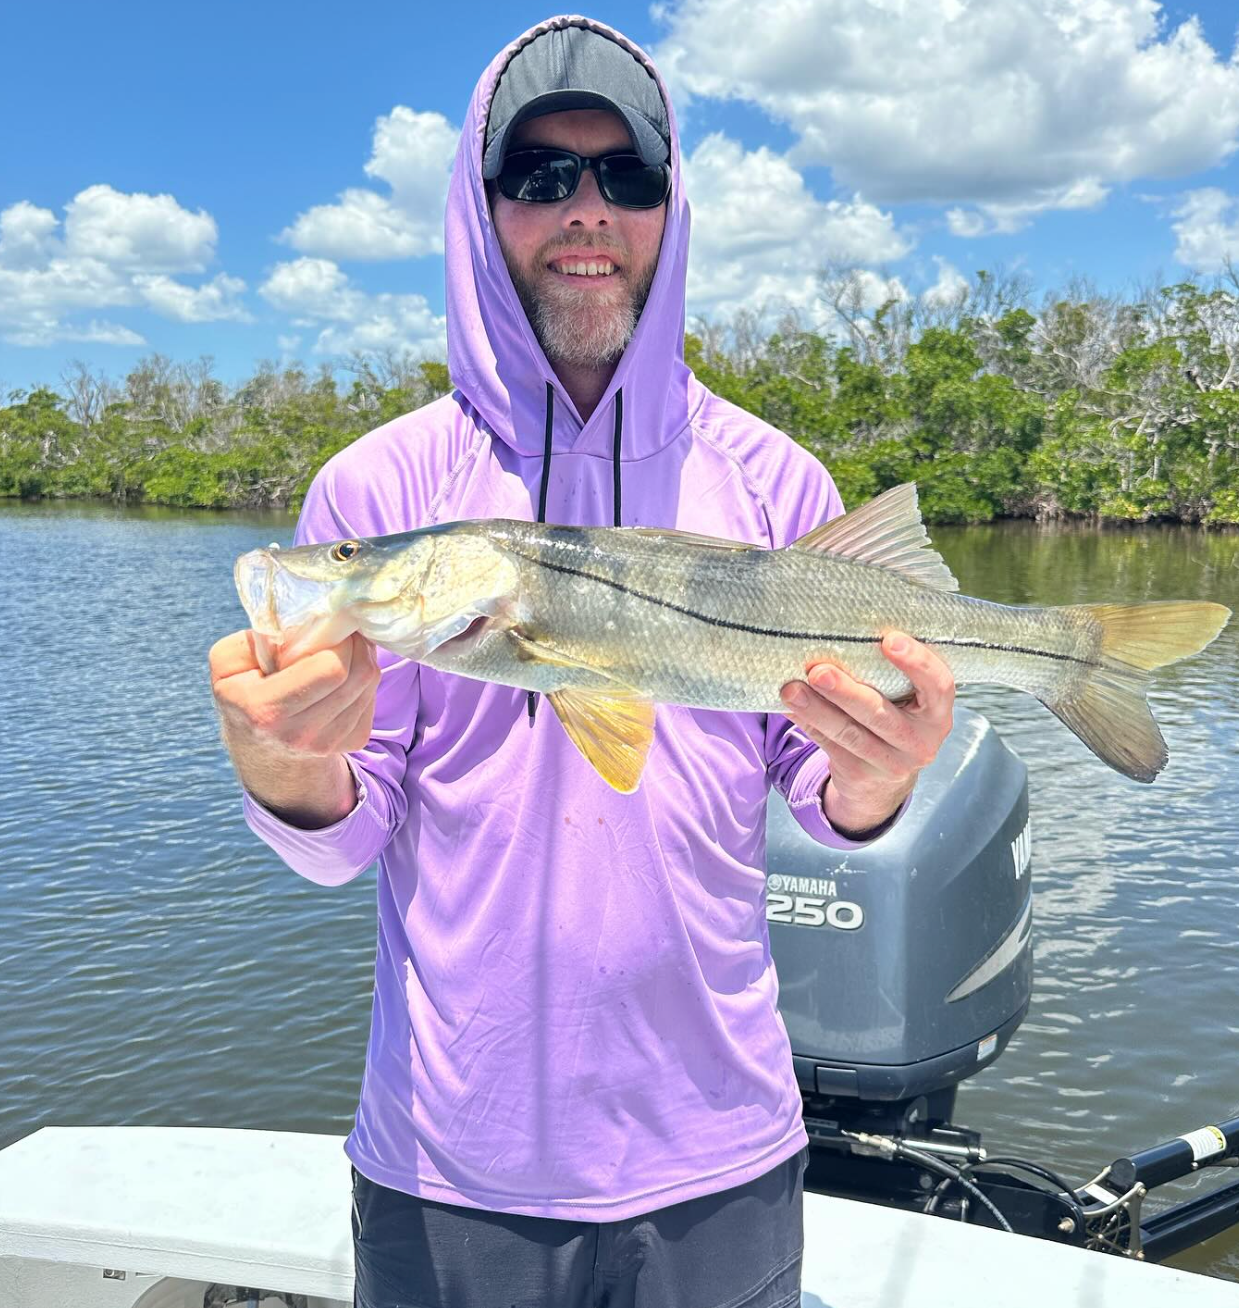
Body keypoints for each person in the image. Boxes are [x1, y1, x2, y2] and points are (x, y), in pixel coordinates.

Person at [209, 15, 956, 1307]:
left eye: (627, 175)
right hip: (452, 1159)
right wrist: (284, 767)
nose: (587, 212)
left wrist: (876, 784)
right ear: (478, 205)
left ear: (672, 205)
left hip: (725, 1142)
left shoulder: (778, 478)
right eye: (541, 177)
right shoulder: (380, 487)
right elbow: (339, 841)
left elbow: (820, 804)